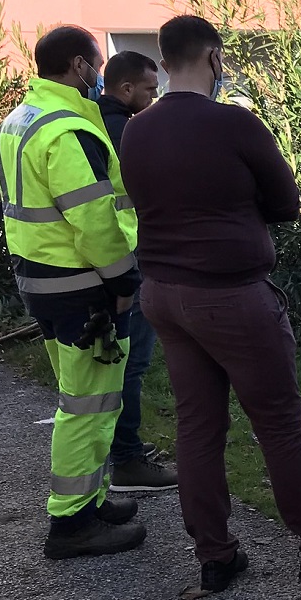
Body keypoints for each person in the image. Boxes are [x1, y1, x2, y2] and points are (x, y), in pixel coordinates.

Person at [121, 15, 301, 592]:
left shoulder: (136, 130)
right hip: (230, 293)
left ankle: (216, 555)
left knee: (197, 427)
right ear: (213, 57)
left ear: (163, 60)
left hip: (163, 294)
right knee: (278, 423)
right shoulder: (235, 124)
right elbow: (287, 202)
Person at [0, 27, 146, 558]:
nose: (98, 74)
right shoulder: (66, 130)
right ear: (79, 65)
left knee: (86, 400)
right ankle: (72, 522)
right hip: (84, 286)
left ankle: (92, 499)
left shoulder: (20, 120)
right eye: (96, 64)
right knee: (88, 406)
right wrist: (124, 279)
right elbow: (93, 218)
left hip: (43, 280)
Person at [95, 52, 177, 492]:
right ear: (126, 89)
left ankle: (117, 452)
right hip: (127, 259)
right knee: (130, 364)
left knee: (109, 364)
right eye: (149, 88)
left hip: (101, 261)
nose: (155, 95)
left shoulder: (89, 122)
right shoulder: (126, 131)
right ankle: (127, 458)